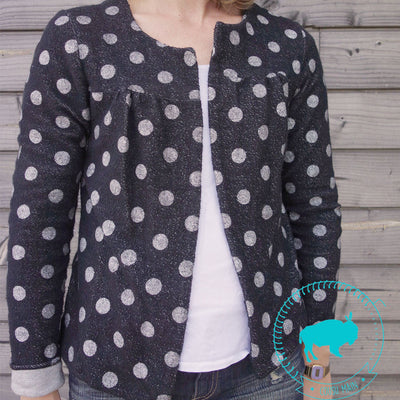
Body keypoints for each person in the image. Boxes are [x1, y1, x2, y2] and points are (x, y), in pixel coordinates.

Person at [6, 0, 342, 399]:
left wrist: (319, 358)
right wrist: (36, 378)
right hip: (115, 363)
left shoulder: (286, 46)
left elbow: (315, 208)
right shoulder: (80, 39)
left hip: (269, 371)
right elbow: (40, 214)